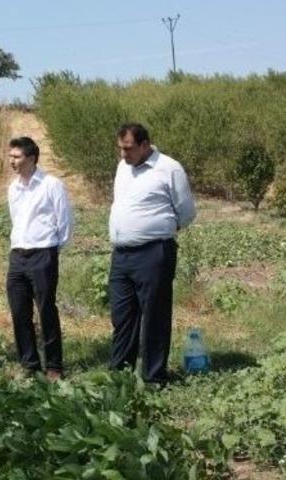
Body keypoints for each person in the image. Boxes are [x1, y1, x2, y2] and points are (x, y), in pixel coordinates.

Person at [108, 123, 196, 384]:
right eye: (121, 149)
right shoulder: (123, 168)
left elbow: (187, 211)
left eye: (129, 149)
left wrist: (162, 229)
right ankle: (120, 376)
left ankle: (154, 378)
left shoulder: (169, 168)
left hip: (154, 253)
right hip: (122, 255)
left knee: (155, 317)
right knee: (122, 317)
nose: (124, 155)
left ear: (145, 145)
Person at [6, 136, 73, 380]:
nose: (12, 161)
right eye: (10, 156)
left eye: (16, 157)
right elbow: (16, 219)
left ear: (31, 158)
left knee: (46, 310)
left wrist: (52, 249)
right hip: (17, 255)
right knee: (19, 311)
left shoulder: (51, 185)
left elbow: (64, 220)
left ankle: (54, 365)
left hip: (43, 254)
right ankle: (30, 364)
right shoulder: (13, 187)